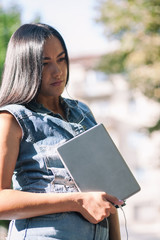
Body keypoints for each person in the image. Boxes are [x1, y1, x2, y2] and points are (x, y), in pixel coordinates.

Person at [0, 23, 123, 240]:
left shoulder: (82, 112)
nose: (57, 71)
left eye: (61, 58)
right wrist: (77, 201)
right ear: (25, 67)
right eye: (44, 63)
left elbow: (108, 192)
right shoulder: (11, 119)